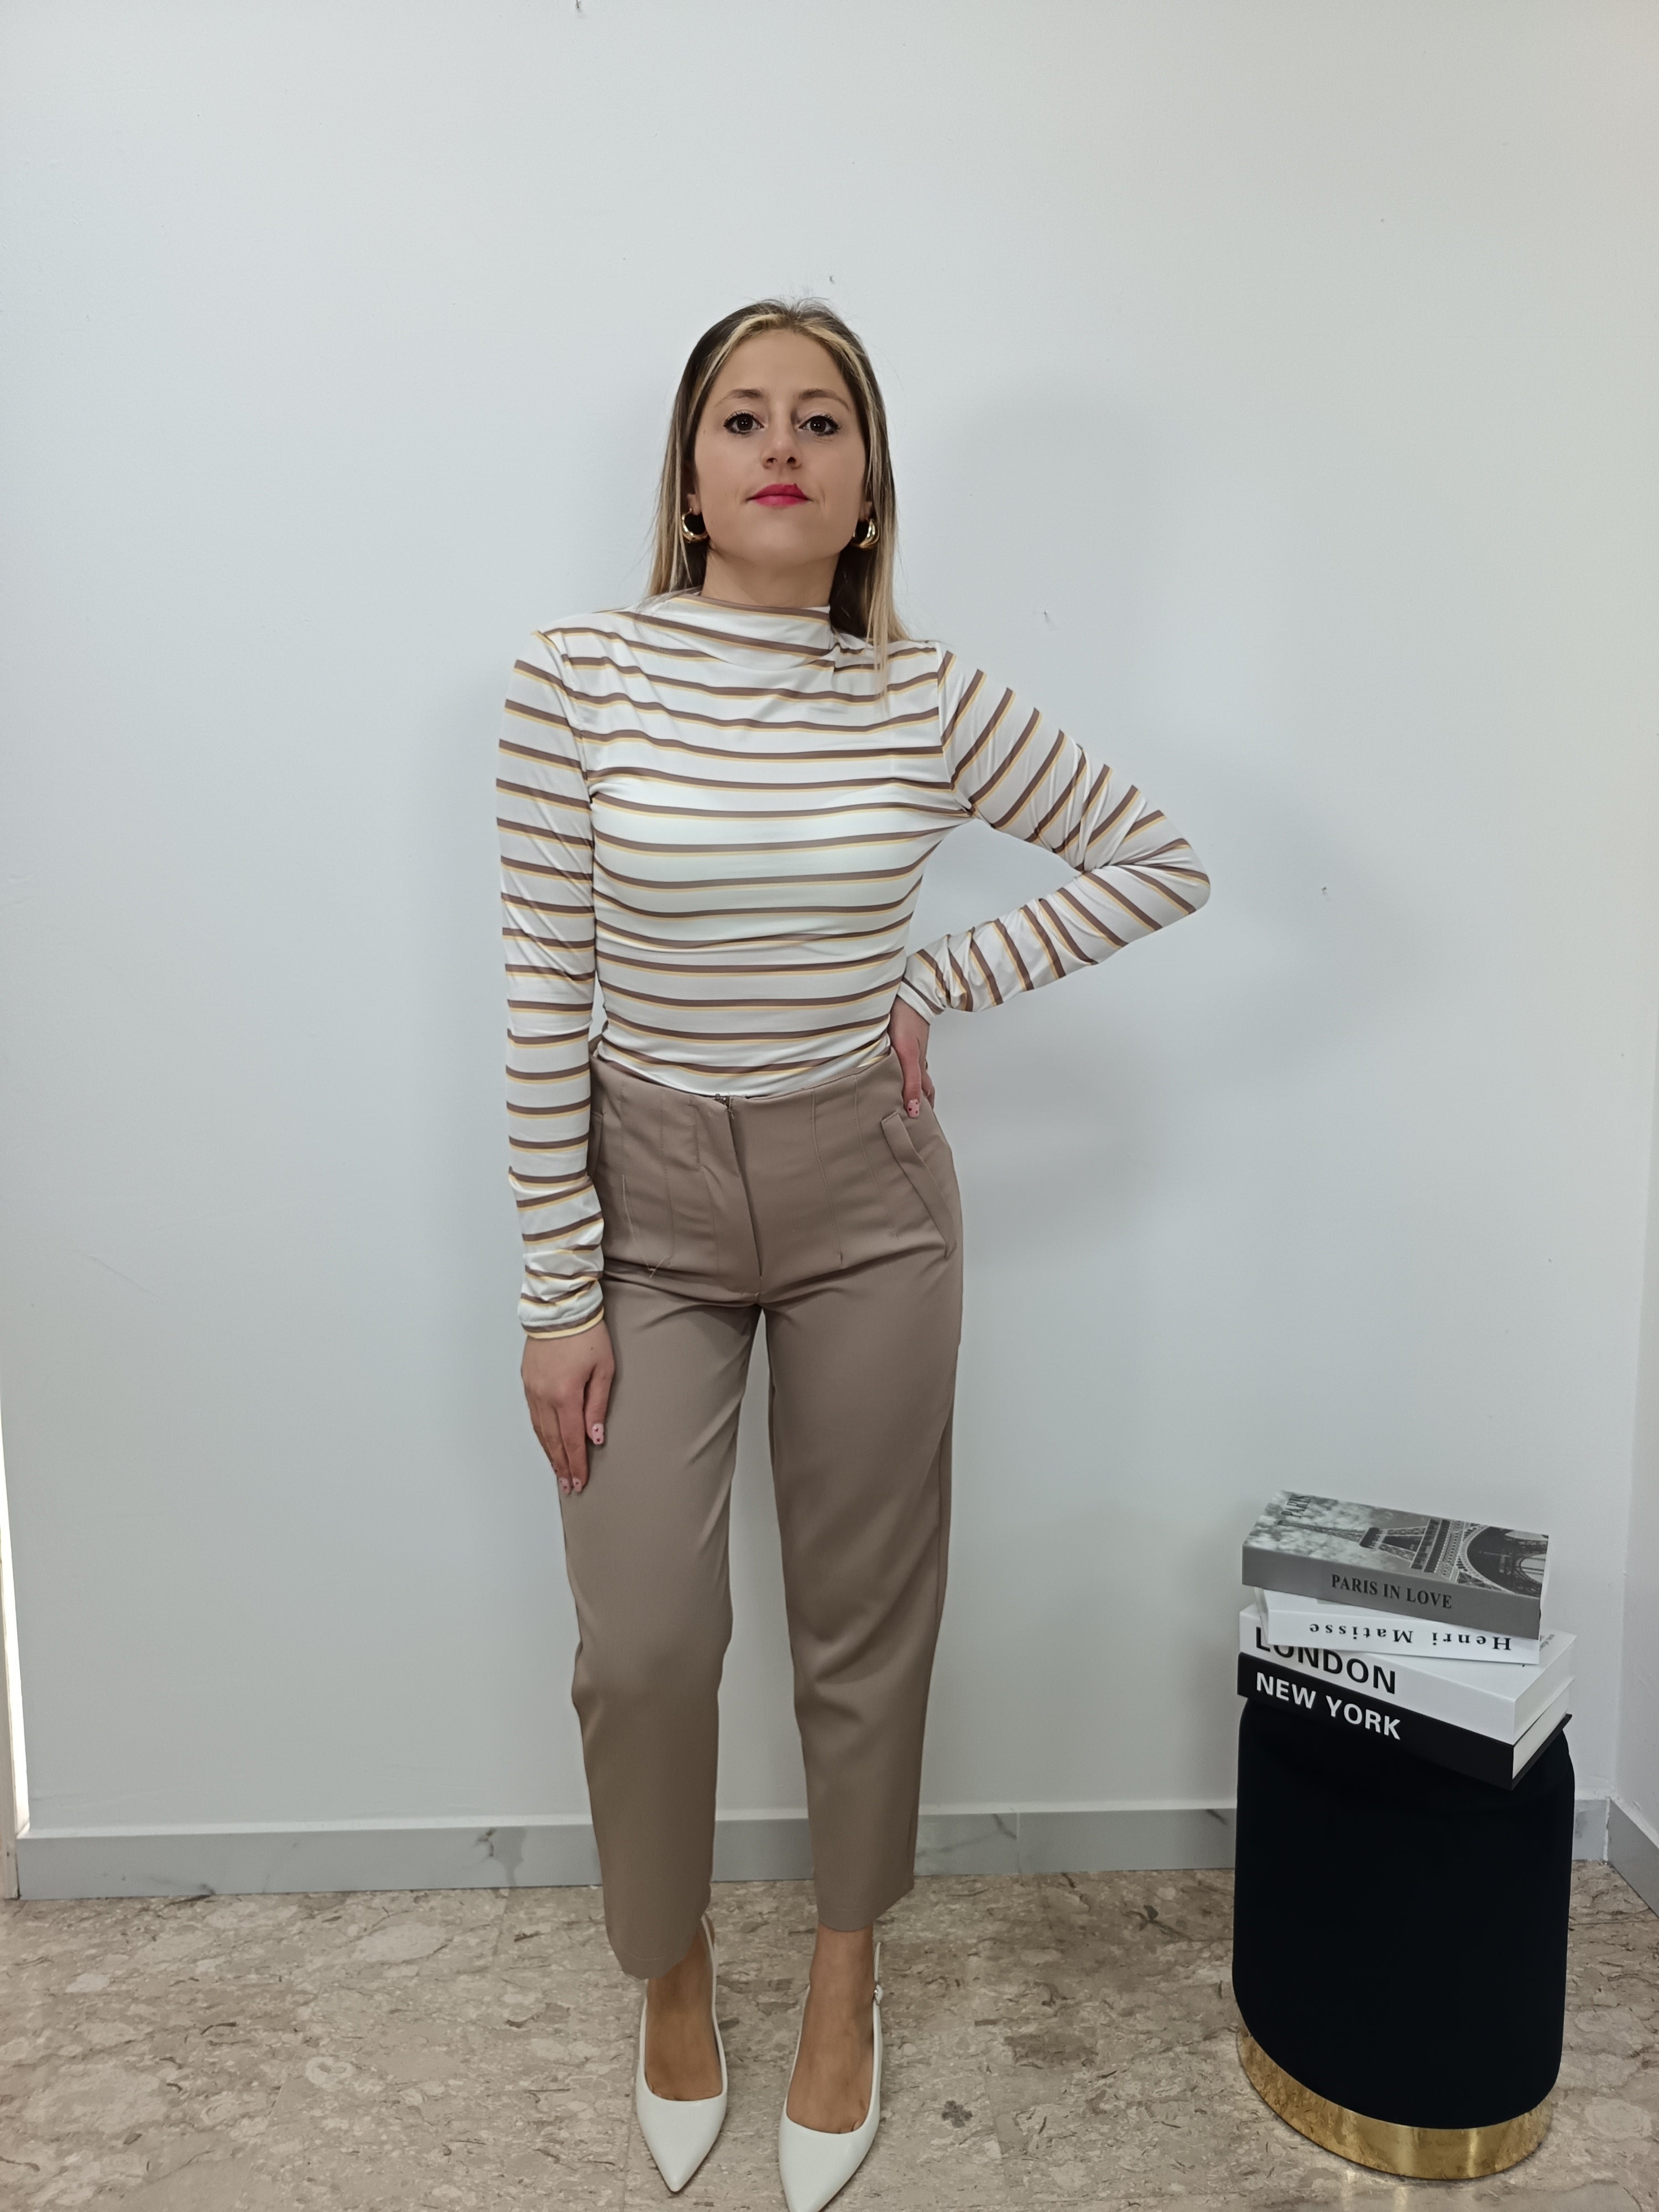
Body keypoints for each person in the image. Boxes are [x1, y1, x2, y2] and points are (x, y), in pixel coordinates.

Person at [498, 298, 1209, 2208]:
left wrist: (938, 981)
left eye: (823, 420)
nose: (782, 447)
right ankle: (669, 1975)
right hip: (644, 1204)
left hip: (867, 1201)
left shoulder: (922, 694)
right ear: (690, 473)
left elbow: (1156, 857)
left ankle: (842, 1981)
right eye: (742, 418)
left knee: (864, 1617)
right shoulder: (575, 677)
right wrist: (558, 1290)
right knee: (645, 1640)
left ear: (871, 481)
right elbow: (541, 992)